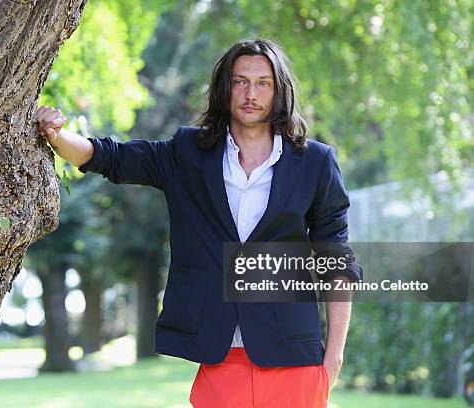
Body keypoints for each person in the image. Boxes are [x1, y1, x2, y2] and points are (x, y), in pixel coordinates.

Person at [36, 38, 363, 408]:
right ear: (225, 89)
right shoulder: (188, 154)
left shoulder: (315, 162)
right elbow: (111, 157)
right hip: (219, 357)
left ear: (279, 91)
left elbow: (336, 261)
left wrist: (333, 356)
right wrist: (57, 136)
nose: (250, 93)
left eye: (263, 83)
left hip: (293, 356)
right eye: (240, 81)